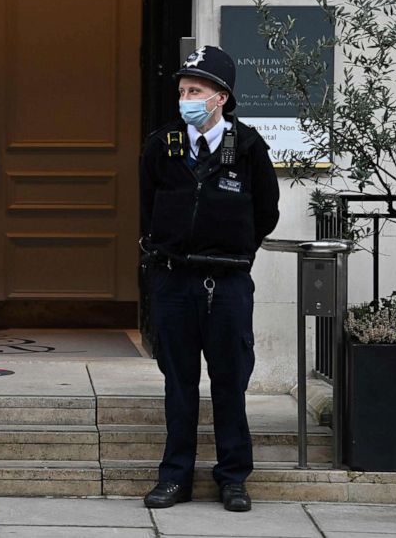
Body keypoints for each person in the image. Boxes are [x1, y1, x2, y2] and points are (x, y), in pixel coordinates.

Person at [138, 45, 279, 513]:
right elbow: (147, 207)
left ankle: (233, 478)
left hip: (228, 283)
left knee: (229, 383)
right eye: (182, 91)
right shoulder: (162, 145)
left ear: (221, 96)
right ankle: (174, 477)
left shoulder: (249, 147)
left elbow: (267, 213)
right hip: (174, 281)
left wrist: (231, 252)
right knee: (178, 384)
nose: (186, 98)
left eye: (195, 90)